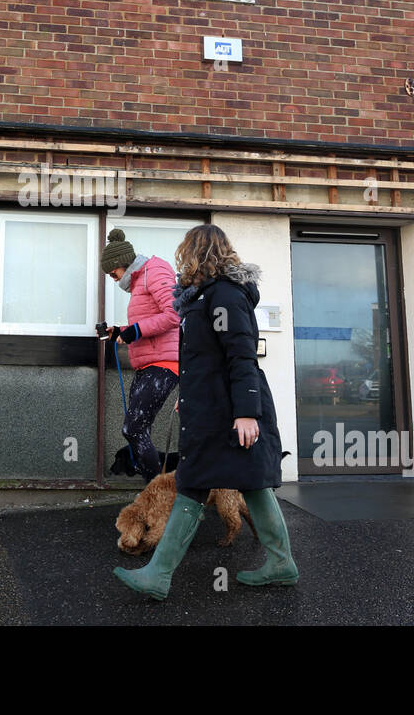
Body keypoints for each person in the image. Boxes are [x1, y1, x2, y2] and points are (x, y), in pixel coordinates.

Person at [113, 223, 299, 600]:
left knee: (229, 484)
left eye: (186, 253)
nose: (182, 261)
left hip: (229, 411)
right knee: (207, 484)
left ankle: (163, 575)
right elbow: (201, 360)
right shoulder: (201, 297)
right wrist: (190, 396)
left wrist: (247, 413)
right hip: (210, 407)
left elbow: (241, 355)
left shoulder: (226, 295)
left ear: (198, 253)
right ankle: (161, 575)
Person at [99, 227, 180, 481]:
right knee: (136, 429)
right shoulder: (138, 281)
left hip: (164, 365)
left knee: (133, 428)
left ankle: (158, 493)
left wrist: (135, 331)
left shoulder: (154, 272)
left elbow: (174, 314)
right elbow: (146, 324)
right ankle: (157, 493)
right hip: (148, 364)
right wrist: (119, 332)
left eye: (113, 273)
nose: (113, 279)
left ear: (123, 264)